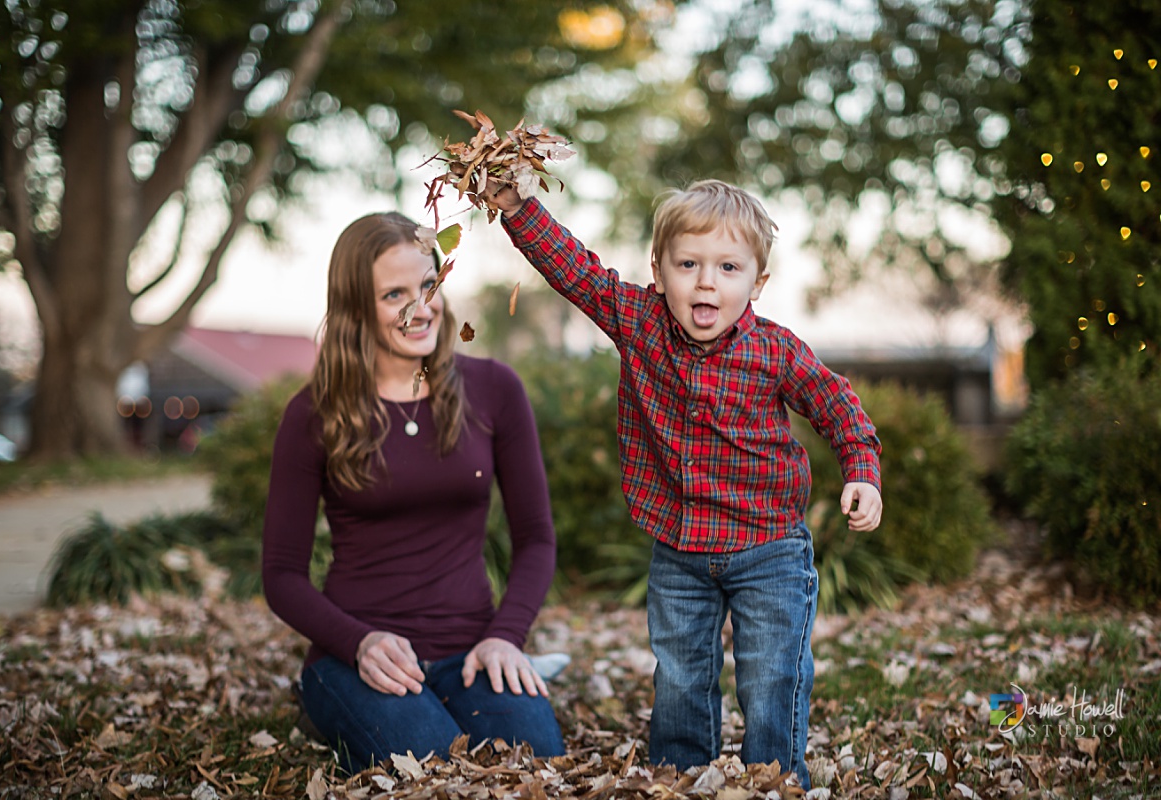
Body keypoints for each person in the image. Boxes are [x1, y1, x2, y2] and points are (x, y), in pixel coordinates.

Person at [484, 179, 882, 788]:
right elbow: (575, 271)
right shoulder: (639, 323)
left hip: (769, 547)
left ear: (757, 282)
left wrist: (862, 470)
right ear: (659, 271)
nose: (706, 282)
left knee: (771, 671)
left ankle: (772, 777)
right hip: (680, 547)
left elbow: (836, 405)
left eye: (727, 267)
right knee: (679, 673)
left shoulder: (775, 351)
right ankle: (678, 774)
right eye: (688, 264)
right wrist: (516, 207)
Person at [261, 211, 565, 773]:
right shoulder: (314, 413)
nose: (420, 308)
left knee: (536, 766)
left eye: (429, 285)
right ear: (356, 308)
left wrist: (505, 638)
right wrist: (358, 643)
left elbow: (536, 539)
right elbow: (281, 575)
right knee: (430, 770)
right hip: (357, 660)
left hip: (474, 651)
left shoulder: (495, 389)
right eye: (393, 294)